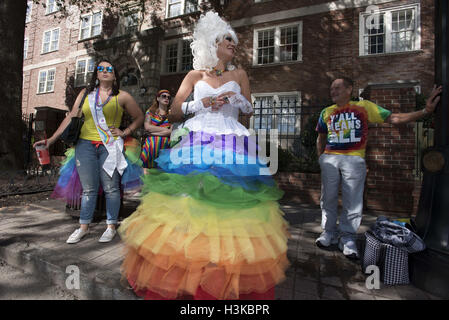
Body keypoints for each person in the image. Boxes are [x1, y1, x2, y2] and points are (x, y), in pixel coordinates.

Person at [118, 11, 289, 300]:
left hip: (231, 142)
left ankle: (221, 272)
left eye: (232, 40)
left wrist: (236, 101)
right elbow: (174, 111)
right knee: (189, 203)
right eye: (226, 39)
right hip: (196, 141)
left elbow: (248, 112)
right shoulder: (194, 75)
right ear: (212, 43)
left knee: (229, 203)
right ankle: (185, 271)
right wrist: (203, 103)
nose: (232, 44)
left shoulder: (240, 74)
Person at [315, 77, 442, 259]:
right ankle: (328, 233)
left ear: (349, 89)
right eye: (331, 89)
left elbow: (394, 118)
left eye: (337, 88)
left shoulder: (364, 107)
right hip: (330, 159)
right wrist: (321, 158)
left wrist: (425, 111)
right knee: (328, 197)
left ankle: (348, 237)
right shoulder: (326, 112)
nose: (332, 91)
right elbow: (320, 137)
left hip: (354, 159)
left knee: (353, 200)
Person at [34, 59, 144, 244]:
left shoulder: (123, 96)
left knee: (111, 188)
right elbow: (71, 117)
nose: (105, 71)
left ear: (115, 74)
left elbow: (139, 116)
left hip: (109, 146)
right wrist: (51, 139)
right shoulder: (86, 94)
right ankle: (83, 226)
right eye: (101, 68)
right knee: (89, 189)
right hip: (85, 146)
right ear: (97, 73)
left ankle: (110, 226)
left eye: (109, 69)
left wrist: (125, 132)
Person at [140, 89, 172, 172]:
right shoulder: (150, 112)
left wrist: (153, 133)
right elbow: (147, 127)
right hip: (150, 146)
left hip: (165, 147)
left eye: (169, 97)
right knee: (147, 169)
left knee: (162, 171)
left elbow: (171, 131)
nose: (167, 98)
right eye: (164, 96)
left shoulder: (171, 114)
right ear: (158, 98)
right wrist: (165, 130)